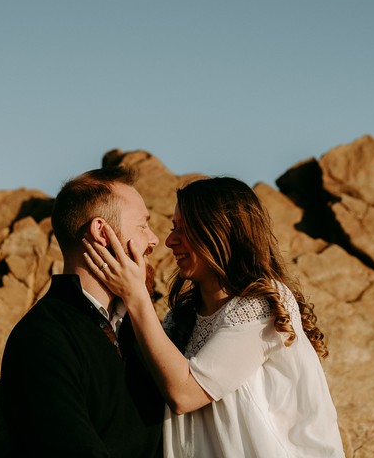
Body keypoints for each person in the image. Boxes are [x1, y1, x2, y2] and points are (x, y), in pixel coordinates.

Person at [84, 176, 345, 458]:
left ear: (221, 233)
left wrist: (136, 296)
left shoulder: (264, 305)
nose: (170, 241)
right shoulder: (180, 319)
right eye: (174, 228)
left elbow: (184, 394)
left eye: (185, 229)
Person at [0, 166, 164, 457]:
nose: (154, 240)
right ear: (102, 232)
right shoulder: (42, 339)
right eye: (142, 226)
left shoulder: (141, 328)